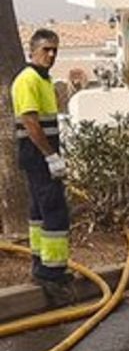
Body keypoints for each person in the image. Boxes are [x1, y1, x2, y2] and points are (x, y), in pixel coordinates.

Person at [11, 28, 75, 302]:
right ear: (32, 51)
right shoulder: (27, 80)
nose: (51, 54)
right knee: (54, 210)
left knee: (39, 211)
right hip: (38, 153)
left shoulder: (42, 79)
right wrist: (51, 156)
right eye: (46, 49)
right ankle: (52, 273)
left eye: (54, 50)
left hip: (38, 153)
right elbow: (31, 122)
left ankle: (41, 265)